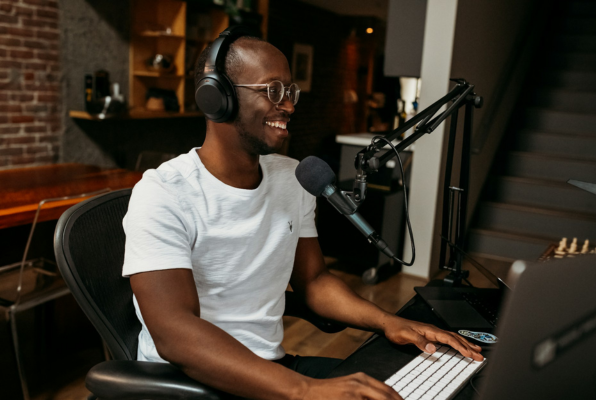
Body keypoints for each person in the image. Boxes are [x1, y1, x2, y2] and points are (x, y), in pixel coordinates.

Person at [122, 32, 483, 400]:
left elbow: (314, 281)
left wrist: (389, 322)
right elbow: (174, 333)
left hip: (271, 370)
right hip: (191, 384)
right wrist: (304, 390)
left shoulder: (291, 178)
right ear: (218, 98)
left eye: (290, 92)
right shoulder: (164, 193)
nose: (289, 106)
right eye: (273, 90)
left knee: (419, 389)